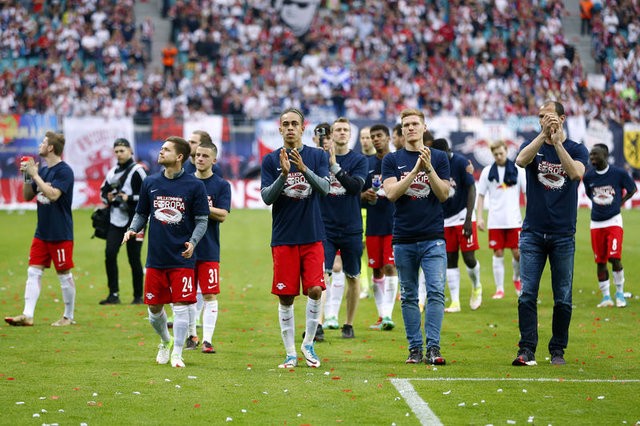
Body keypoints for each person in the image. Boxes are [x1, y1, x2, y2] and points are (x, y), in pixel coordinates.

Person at [512, 101, 589, 366]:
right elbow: (520, 160)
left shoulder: (577, 149)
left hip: (563, 234)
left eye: (550, 116)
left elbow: (575, 173)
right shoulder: (532, 146)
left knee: (563, 297)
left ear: (563, 118)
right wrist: (543, 136)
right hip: (533, 232)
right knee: (527, 294)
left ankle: (558, 350)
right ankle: (527, 349)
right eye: (541, 117)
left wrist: (557, 143)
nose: (545, 120)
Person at [122, 136, 210, 368]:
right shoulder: (150, 182)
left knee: (181, 306)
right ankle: (165, 341)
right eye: (161, 149)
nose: (161, 152)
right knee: (154, 308)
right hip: (156, 258)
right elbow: (142, 213)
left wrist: (192, 242)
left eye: (166, 150)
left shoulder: (195, 186)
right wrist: (132, 229)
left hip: (182, 257)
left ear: (179, 157)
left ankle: (178, 353)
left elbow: (202, 220)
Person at [260, 108, 330, 368]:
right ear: (280, 129)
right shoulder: (270, 160)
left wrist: (304, 170)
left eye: (294, 124)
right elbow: (267, 197)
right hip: (283, 237)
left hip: (312, 236)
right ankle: (290, 353)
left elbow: (325, 188)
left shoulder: (317, 155)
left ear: (303, 128)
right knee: (286, 297)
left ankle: (308, 344)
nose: (290, 128)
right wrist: (284, 174)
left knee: (315, 289)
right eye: (285, 124)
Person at [382, 109, 450, 365]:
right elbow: (391, 194)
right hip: (404, 237)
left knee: (435, 292)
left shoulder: (440, 158)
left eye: (414, 124)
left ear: (424, 127)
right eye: (406, 125)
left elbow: (443, 194)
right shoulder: (391, 160)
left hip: (433, 236)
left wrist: (429, 168)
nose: (410, 128)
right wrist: (414, 172)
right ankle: (414, 348)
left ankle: (433, 347)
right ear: (401, 130)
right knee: (409, 295)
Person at [5, 132, 77, 327]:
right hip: (42, 232)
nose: (40, 145)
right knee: (33, 272)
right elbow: (28, 196)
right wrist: (28, 176)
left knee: (64, 275)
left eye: (44, 143)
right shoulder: (44, 171)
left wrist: (35, 175)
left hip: (60, 233)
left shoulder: (65, 171)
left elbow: (53, 195)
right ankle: (27, 315)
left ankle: (68, 316)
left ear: (51, 148)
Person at [320, 117, 368, 339]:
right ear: (331, 134)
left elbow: (355, 187)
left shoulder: (359, 160)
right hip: (325, 227)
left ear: (350, 134)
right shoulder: (320, 159)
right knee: (321, 276)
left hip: (351, 227)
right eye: (337, 130)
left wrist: (334, 167)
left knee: (353, 276)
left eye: (345, 130)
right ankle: (317, 323)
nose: (341, 133)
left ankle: (348, 324)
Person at [187, 140, 231, 353]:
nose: (200, 159)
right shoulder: (185, 182)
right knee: (186, 296)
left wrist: (202, 206)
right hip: (186, 248)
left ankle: (208, 340)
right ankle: (190, 336)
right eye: (197, 155)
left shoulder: (221, 185)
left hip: (209, 249)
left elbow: (223, 215)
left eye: (205, 156)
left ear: (214, 159)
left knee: (209, 294)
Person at [431, 138, 482, 313]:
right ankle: (455, 302)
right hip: (444, 219)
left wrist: (468, 218)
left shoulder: (460, 162)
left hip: (462, 216)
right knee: (450, 259)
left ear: (449, 151)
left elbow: (471, 189)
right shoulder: (434, 164)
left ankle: (477, 286)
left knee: (468, 258)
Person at [583, 143, 637, 308]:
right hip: (596, 223)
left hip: (613, 221)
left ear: (605, 156)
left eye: (595, 155)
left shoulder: (618, 173)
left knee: (615, 258)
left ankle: (620, 293)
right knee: (600, 261)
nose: (592, 158)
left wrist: (619, 202)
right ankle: (606, 297)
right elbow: (589, 193)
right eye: (590, 155)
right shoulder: (588, 176)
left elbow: (632, 189)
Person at [98, 138, 147, 305]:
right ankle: (114, 294)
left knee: (134, 258)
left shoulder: (139, 171)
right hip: (116, 219)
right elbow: (102, 192)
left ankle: (138, 296)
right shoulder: (111, 172)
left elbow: (149, 195)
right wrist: (108, 197)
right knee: (109, 254)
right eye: (116, 151)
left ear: (130, 151)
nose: (119, 154)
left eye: (122, 150)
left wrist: (129, 198)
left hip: (136, 221)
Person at [476, 140, 526, 299]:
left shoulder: (518, 170)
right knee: (498, 252)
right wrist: (479, 218)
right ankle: (499, 289)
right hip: (495, 220)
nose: (498, 156)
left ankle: (517, 279)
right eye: (495, 154)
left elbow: (527, 194)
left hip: (514, 219)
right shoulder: (487, 172)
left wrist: (530, 217)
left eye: (501, 153)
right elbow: (481, 195)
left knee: (517, 253)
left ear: (507, 151)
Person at [361, 124, 398, 330]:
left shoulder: (398, 162)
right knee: (376, 270)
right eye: (372, 136)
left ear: (388, 138)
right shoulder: (367, 165)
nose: (375, 139)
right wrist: (366, 196)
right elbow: (360, 196)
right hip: (374, 225)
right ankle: (381, 315)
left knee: (390, 266)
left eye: (379, 136)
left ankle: (388, 315)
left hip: (394, 224)